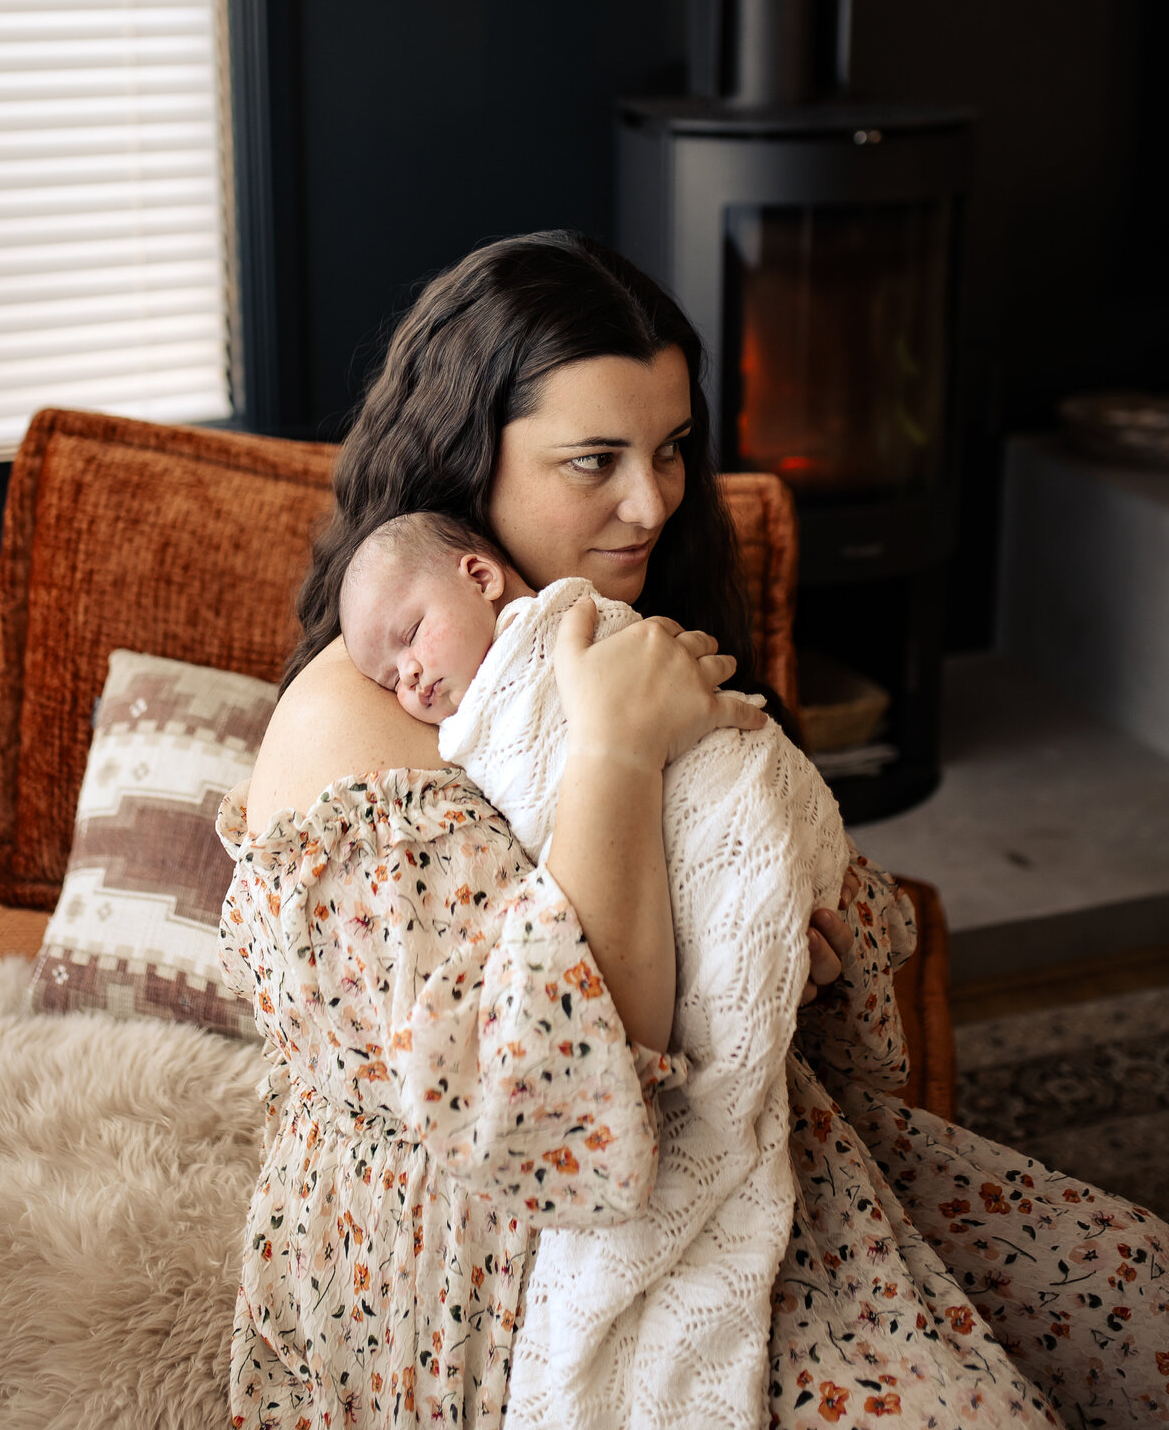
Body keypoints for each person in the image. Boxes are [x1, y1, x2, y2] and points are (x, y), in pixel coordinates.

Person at [217, 232, 1168, 1430]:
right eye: (594, 461)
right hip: (489, 1271)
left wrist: (795, 939)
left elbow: (810, 879)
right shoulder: (363, 719)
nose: (653, 502)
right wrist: (617, 752)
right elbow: (554, 1120)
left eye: (670, 448)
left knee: (1130, 1295)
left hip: (752, 1149)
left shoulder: (609, 632)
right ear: (469, 464)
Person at [337, 508, 849, 1417]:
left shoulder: (569, 632)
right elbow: (568, 967)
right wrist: (618, 744)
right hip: (586, 1121)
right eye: (389, 674)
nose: (407, 676)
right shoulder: (407, 749)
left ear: (479, 578)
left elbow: (706, 780)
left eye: (411, 636)